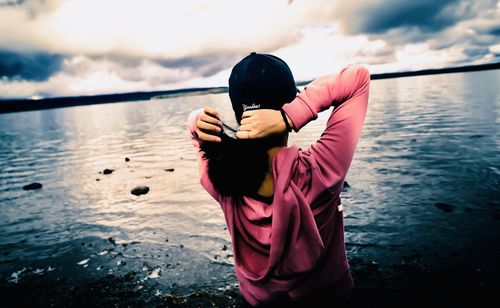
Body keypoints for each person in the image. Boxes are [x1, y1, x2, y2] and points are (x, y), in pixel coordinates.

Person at [187, 52, 370, 306]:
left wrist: (197, 118)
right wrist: (291, 115)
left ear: (237, 110)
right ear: (289, 100)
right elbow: (358, 78)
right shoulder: (322, 170)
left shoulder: (219, 176)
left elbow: (197, 135)